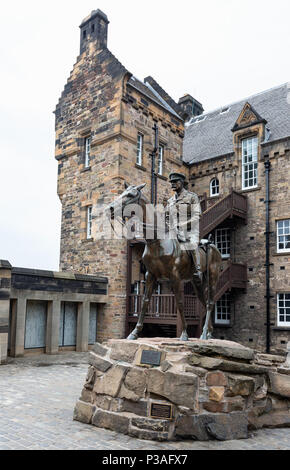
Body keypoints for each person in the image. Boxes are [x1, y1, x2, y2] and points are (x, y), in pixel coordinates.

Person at [166, 172, 202, 282]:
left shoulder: (192, 197)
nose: (172, 184)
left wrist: (181, 226)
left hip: (190, 230)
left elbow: (197, 215)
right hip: (173, 231)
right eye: (171, 182)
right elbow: (166, 216)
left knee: (192, 244)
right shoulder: (170, 201)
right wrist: (170, 226)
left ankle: (198, 270)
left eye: (175, 182)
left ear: (181, 183)